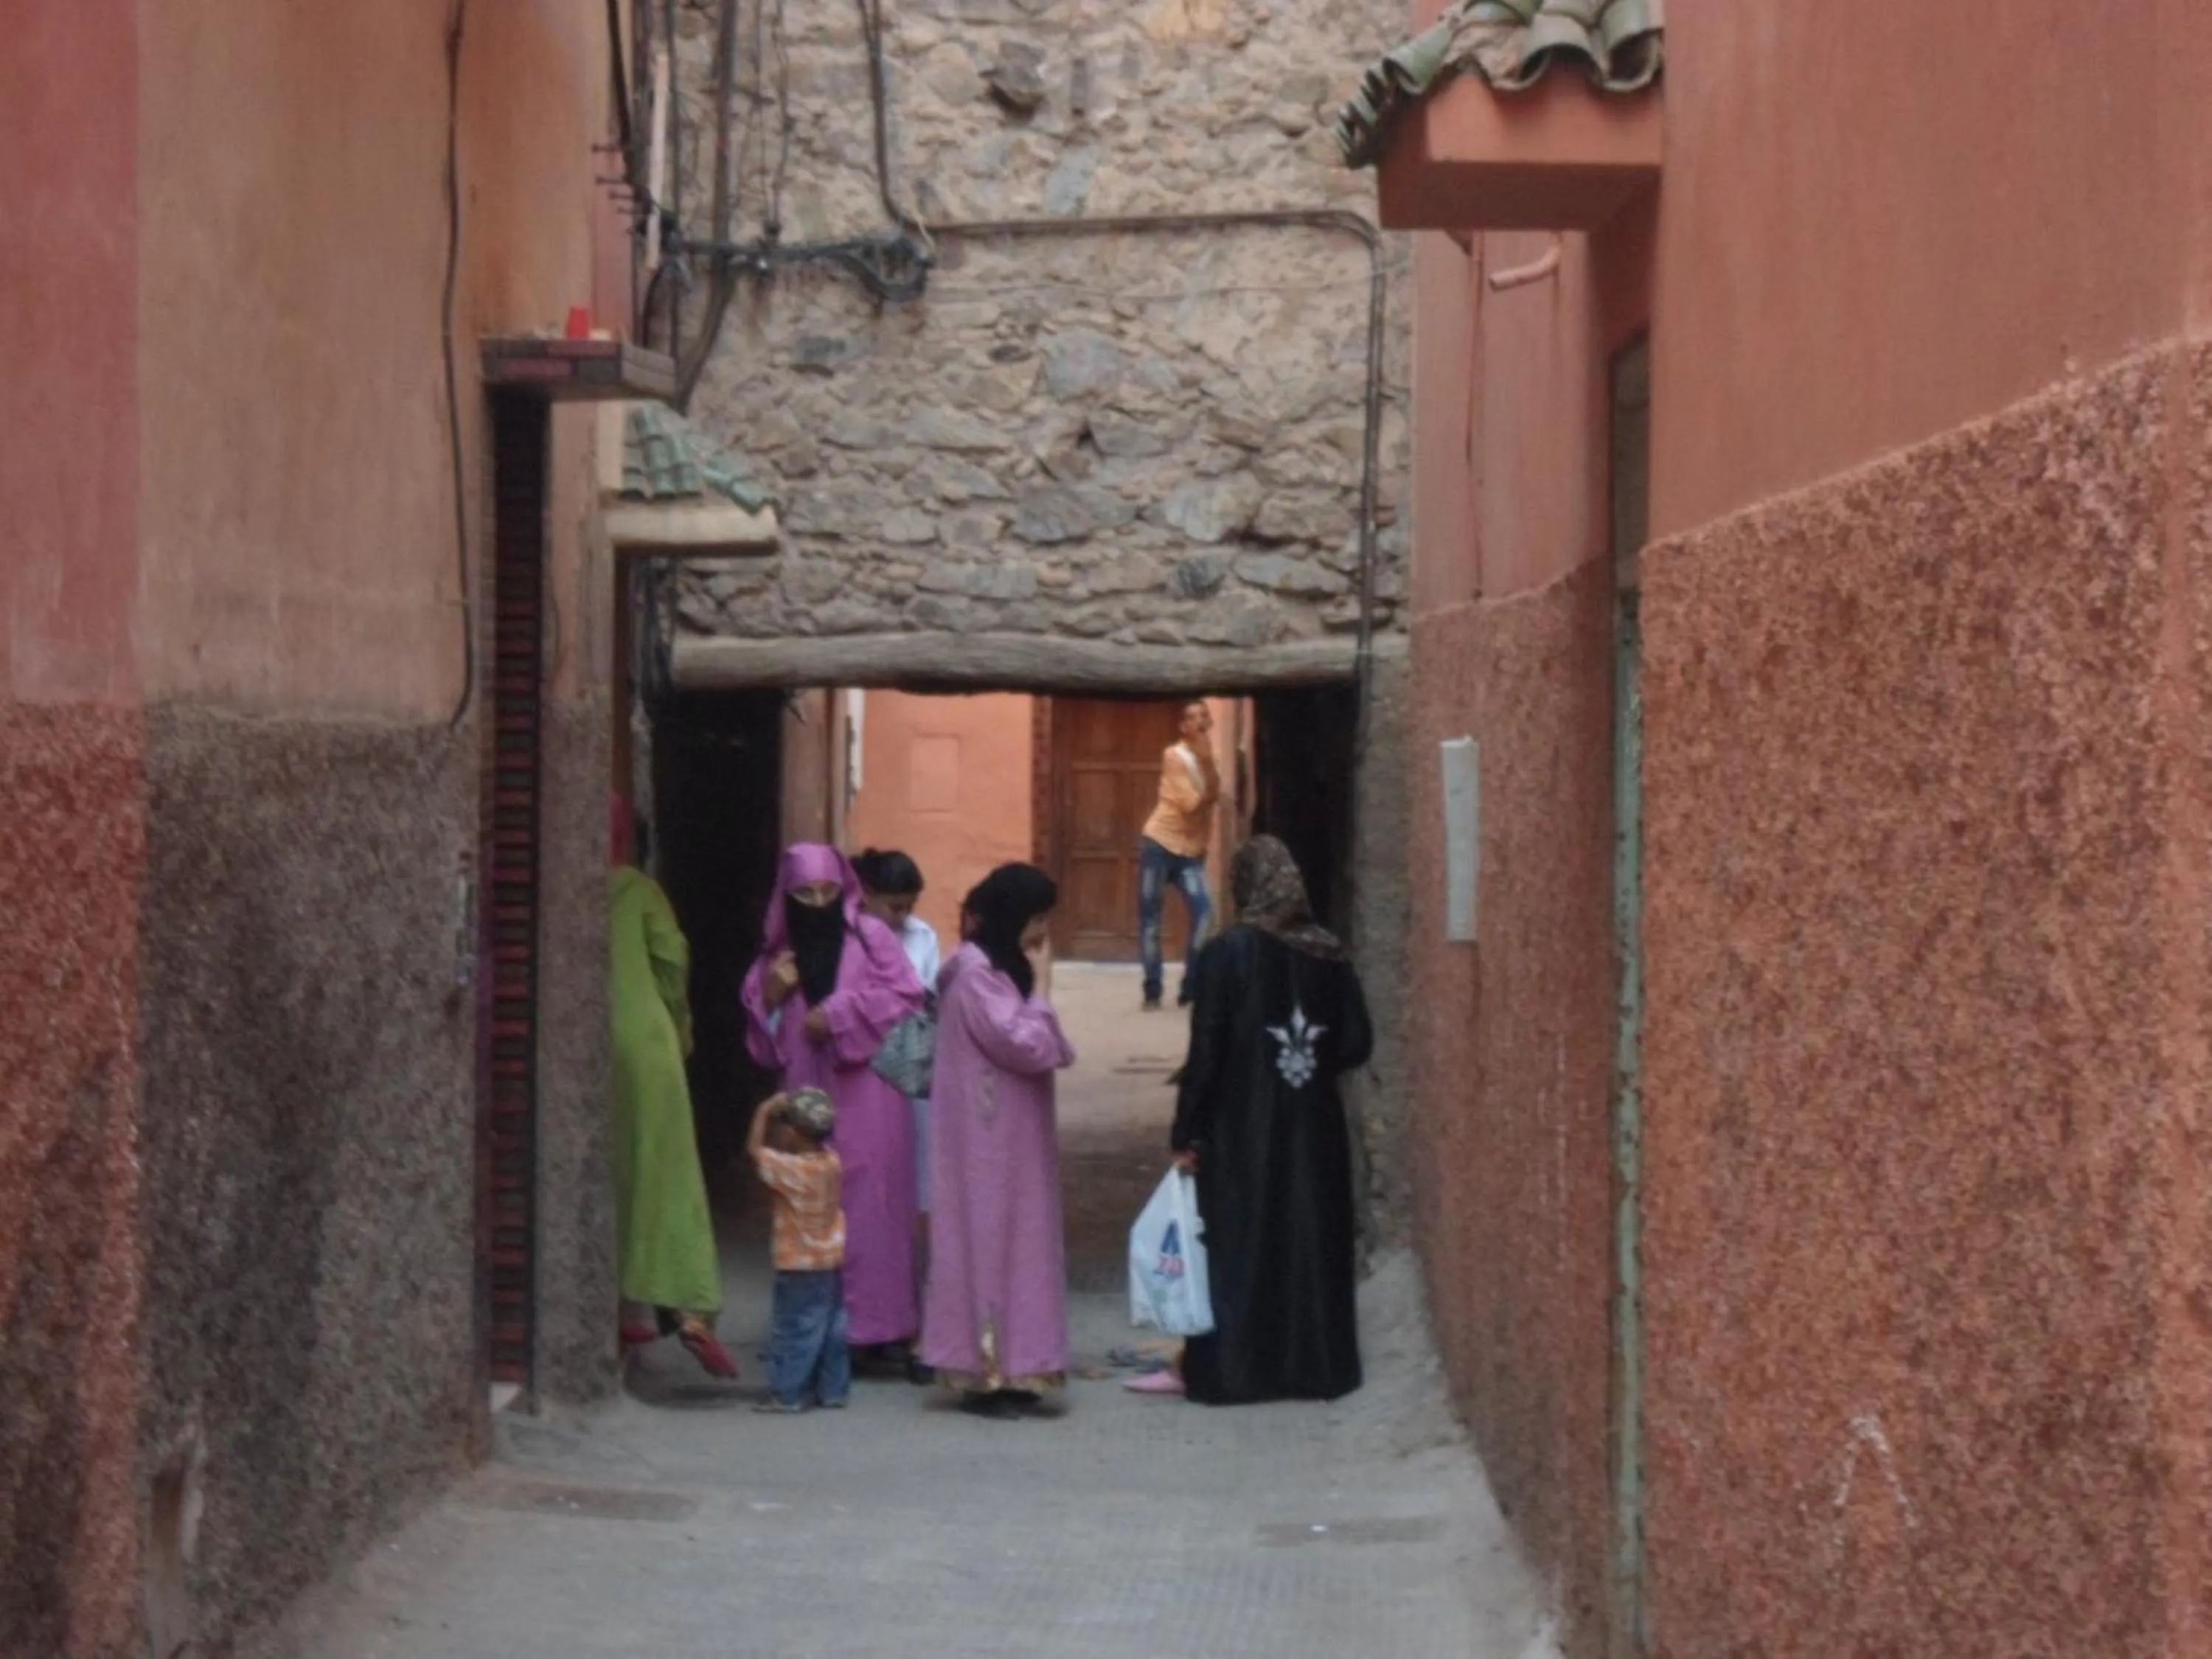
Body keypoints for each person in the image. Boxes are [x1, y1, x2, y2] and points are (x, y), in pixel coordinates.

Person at [1160, 835, 1372, 1405]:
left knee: (1240, 1241)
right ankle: (1315, 1369)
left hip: (1241, 1128)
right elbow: (1356, 1044)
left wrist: (1188, 1131)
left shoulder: (1228, 954)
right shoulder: (1329, 954)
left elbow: (1206, 1054)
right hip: (1314, 1128)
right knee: (1309, 1238)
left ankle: (1236, 1371)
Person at [741, 844, 928, 1370]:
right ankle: (818, 1335)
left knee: (876, 1209)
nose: (818, 902)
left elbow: (906, 997)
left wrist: (840, 1014)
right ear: (787, 896)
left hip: (871, 1096)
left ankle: (882, 1329)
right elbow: (758, 1043)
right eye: (805, 894)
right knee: (810, 1210)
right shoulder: (774, 961)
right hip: (806, 1098)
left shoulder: (870, 938)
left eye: (828, 891)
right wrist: (774, 998)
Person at [920, 863, 1077, 1419]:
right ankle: (986, 1372)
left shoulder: (990, 971)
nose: (1039, 933)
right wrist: (1042, 998)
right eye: (1035, 920)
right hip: (988, 1142)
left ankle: (1014, 1367)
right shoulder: (977, 978)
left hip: (1006, 1138)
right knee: (990, 1242)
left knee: (1016, 1242)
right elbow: (1026, 1044)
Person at [608, 795, 735, 1380]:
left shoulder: (554, 884)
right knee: (666, 1176)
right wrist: (678, 1029)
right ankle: (689, 1309)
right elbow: (670, 961)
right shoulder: (635, 889)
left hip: (579, 1045)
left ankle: (624, 1307)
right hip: (645, 1043)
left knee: (609, 1177)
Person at [854, 849, 940, 1377]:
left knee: (908, 1204)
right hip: (857, 1078)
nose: (901, 917)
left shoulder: (921, 937)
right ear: (864, 895)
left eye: (908, 907)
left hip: (904, 1078)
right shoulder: (846, 937)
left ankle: (903, 1323)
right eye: (893, 906)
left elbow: (914, 1000)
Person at [746, 1088, 851, 1413]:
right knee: (831, 1328)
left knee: (793, 1328)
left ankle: (787, 1392)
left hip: (797, 1263)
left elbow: (754, 1150)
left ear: (791, 1132)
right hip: (829, 1260)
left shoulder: (792, 1170)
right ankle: (832, 1390)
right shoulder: (831, 1162)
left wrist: (764, 1110)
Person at [1138, 701, 1220, 1012]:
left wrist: (1209, 764)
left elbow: (1214, 794)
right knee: (1151, 921)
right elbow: (1192, 803)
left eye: (1203, 716)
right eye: (1192, 718)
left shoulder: (1213, 760)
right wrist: (1208, 772)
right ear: (1183, 726)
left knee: (1205, 914)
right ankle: (1152, 989)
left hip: (1192, 852)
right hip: (1160, 844)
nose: (1199, 722)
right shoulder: (1174, 756)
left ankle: (1191, 986)